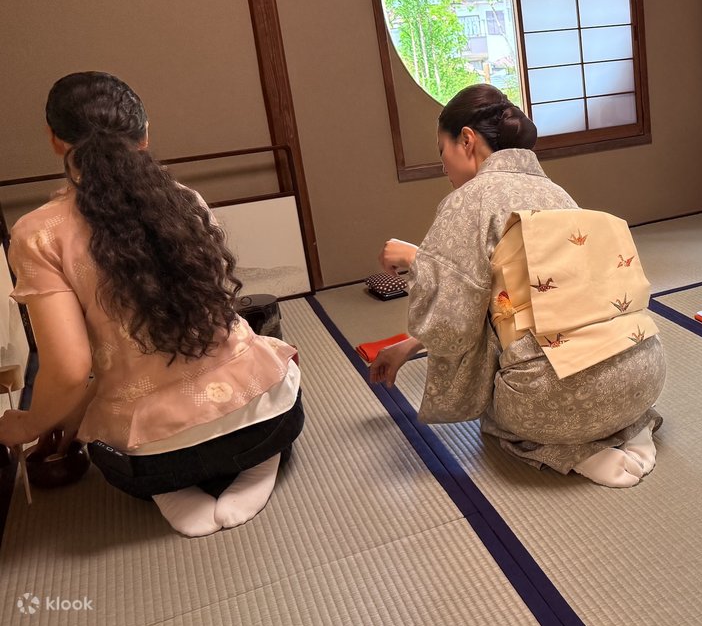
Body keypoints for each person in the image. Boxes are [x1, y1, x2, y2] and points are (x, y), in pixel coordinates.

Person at [0, 72, 303, 536]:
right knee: (276, 378)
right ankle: (259, 464)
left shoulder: (38, 234)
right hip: (265, 418)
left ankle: (171, 490)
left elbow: (70, 370)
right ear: (144, 134)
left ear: (56, 139)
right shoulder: (183, 200)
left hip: (153, 460)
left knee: (118, 448)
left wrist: (29, 426)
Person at [370, 84, 666, 488]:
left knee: (495, 412)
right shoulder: (556, 193)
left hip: (558, 402)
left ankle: (579, 450)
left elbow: (452, 328)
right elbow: (515, 299)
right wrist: (408, 346)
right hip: (646, 376)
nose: (442, 166)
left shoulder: (469, 200)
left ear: (467, 141)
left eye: (442, 151)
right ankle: (630, 428)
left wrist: (416, 260)